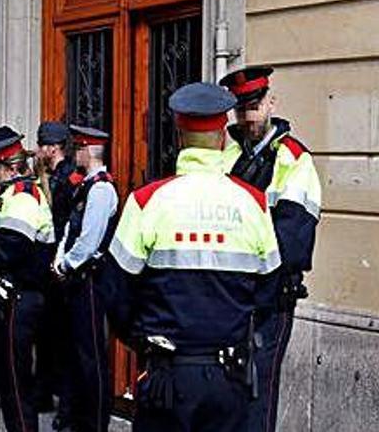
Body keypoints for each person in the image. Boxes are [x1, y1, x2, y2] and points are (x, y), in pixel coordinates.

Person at [107, 82, 281, 432]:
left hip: (166, 377)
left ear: (179, 135)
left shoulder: (146, 201)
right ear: (222, 137)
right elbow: (268, 294)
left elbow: (115, 294)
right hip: (228, 379)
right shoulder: (253, 203)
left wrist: (144, 341)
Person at [220, 66, 321, 432]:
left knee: (257, 395)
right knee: (228, 394)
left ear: (270, 103)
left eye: (254, 106)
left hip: (267, 299)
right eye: (240, 110)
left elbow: (290, 242)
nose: (247, 117)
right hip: (229, 296)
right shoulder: (229, 157)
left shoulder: (293, 159)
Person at [0, 126, 55, 432]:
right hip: (8, 297)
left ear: (7, 168)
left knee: (14, 384)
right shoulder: (6, 193)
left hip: (20, 299)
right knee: (0, 380)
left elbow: (11, 248)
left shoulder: (23, 197)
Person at [51, 125, 118, 432]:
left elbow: (90, 240)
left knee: (92, 356)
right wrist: (60, 260)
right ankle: (79, 418)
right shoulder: (86, 186)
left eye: (78, 148)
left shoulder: (102, 189)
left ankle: (95, 422)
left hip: (91, 280)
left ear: (89, 152)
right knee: (77, 353)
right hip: (76, 280)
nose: (74, 153)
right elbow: (70, 228)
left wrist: (65, 265)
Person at [34, 121, 82, 428]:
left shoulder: (67, 180)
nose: (38, 151)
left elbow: (62, 225)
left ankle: (66, 411)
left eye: (42, 145)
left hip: (61, 271)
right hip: (51, 271)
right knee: (49, 337)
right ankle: (44, 394)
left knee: (64, 342)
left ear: (52, 148)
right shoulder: (53, 176)